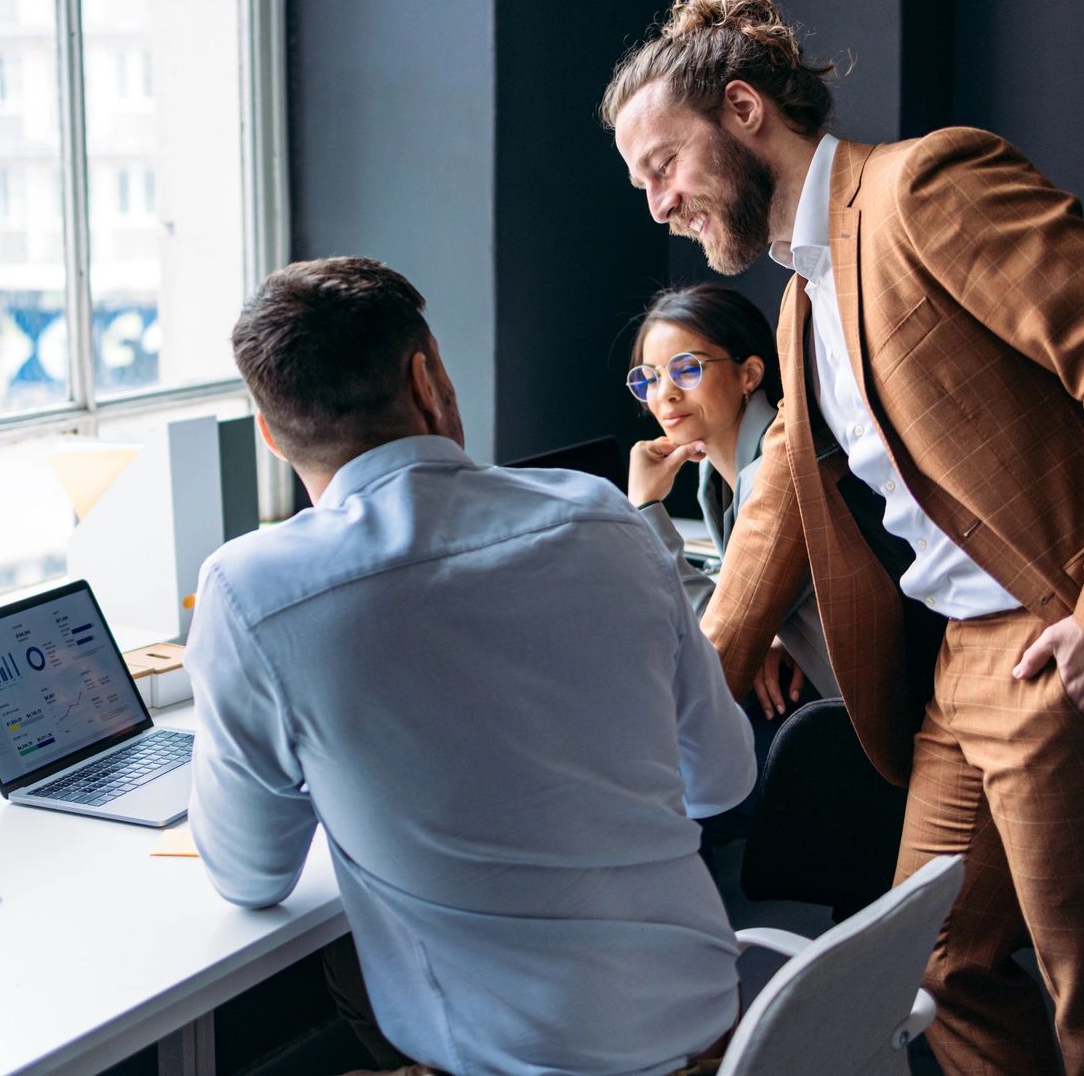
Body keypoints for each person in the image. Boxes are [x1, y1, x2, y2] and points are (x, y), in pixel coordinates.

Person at [602, 0, 1084, 1075]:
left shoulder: (922, 186)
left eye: (662, 166)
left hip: (1063, 647)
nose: (655, 203)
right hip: (960, 669)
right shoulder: (800, 298)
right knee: (935, 971)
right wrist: (667, 712)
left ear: (744, 111)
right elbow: (774, 512)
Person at [186, 256, 756, 1076]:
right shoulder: (604, 516)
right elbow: (721, 782)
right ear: (428, 381)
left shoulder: (251, 594)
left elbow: (250, 875)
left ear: (271, 436)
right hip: (713, 1031)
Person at [625, 282, 837, 717]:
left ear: (749, 375)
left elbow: (711, 637)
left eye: (687, 369)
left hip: (849, 719)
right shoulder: (715, 475)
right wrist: (777, 632)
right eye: (649, 377)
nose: (664, 393)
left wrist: (646, 508)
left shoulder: (774, 474)